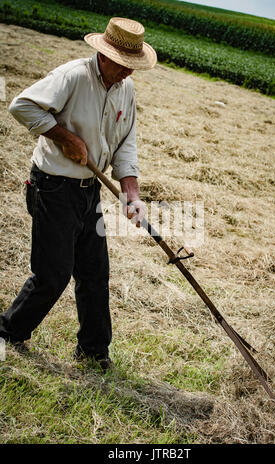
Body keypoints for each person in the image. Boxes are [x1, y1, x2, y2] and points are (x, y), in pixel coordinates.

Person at [0, 17, 157, 371]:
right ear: (104, 55)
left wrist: (131, 193)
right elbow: (21, 105)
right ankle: (8, 332)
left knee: (95, 272)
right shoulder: (73, 76)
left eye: (133, 67)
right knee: (52, 274)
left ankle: (93, 352)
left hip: (90, 192)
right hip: (53, 186)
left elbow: (126, 145)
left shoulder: (124, 90)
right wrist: (65, 137)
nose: (128, 73)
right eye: (123, 65)